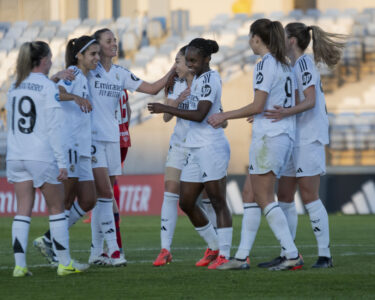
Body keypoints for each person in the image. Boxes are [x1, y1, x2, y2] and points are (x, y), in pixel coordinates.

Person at [208, 18, 303, 271]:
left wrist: (224, 115)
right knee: (249, 194)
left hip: (269, 137)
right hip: (281, 134)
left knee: (262, 196)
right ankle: (240, 258)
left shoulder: (265, 64)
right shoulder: (285, 64)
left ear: (256, 39)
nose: (249, 42)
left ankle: (292, 253)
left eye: (250, 37)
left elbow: (258, 104)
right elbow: (276, 102)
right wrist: (260, 112)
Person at [258, 22, 346, 269]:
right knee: (284, 195)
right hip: (292, 136)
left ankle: (325, 255)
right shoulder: (290, 65)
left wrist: (284, 113)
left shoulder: (305, 63)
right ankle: (289, 252)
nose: (279, 39)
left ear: (292, 40)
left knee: (309, 195)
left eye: (283, 36)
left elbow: (310, 100)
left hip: (308, 136)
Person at [88, 28, 175, 266]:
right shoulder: (87, 72)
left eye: (115, 40)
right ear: (97, 46)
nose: (114, 44)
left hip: (113, 140)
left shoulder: (120, 73)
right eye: (109, 41)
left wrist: (173, 70)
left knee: (103, 197)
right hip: (94, 141)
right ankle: (113, 251)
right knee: (104, 195)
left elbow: (153, 88)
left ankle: (97, 253)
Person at [148, 38, 232, 270]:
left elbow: (201, 115)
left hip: (210, 146)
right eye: (188, 60)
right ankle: (214, 247)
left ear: (205, 59)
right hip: (192, 146)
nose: (188, 64)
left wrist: (166, 107)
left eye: (191, 60)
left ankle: (225, 254)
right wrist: (172, 103)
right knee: (185, 201)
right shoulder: (193, 82)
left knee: (216, 200)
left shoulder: (210, 79)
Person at [6, 41, 88, 277]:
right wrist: (62, 163)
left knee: (22, 210)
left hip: (16, 155)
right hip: (40, 155)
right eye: (50, 58)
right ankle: (64, 263)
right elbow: (53, 128)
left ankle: (19, 266)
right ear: (43, 60)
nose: (52, 61)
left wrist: (53, 78)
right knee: (56, 208)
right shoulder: (46, 86)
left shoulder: (15, 85)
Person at [33, 36, 100, 264]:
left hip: (81, 146)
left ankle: (49, 239)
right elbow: (57, 93)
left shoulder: (85, 77)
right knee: (66, 199)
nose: (96, 58)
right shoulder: (73, 72)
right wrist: (75, 97)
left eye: (97, 54)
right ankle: (61, 255)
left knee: (89, 199)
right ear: (79, 55)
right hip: (68, 143)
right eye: (92, 54)